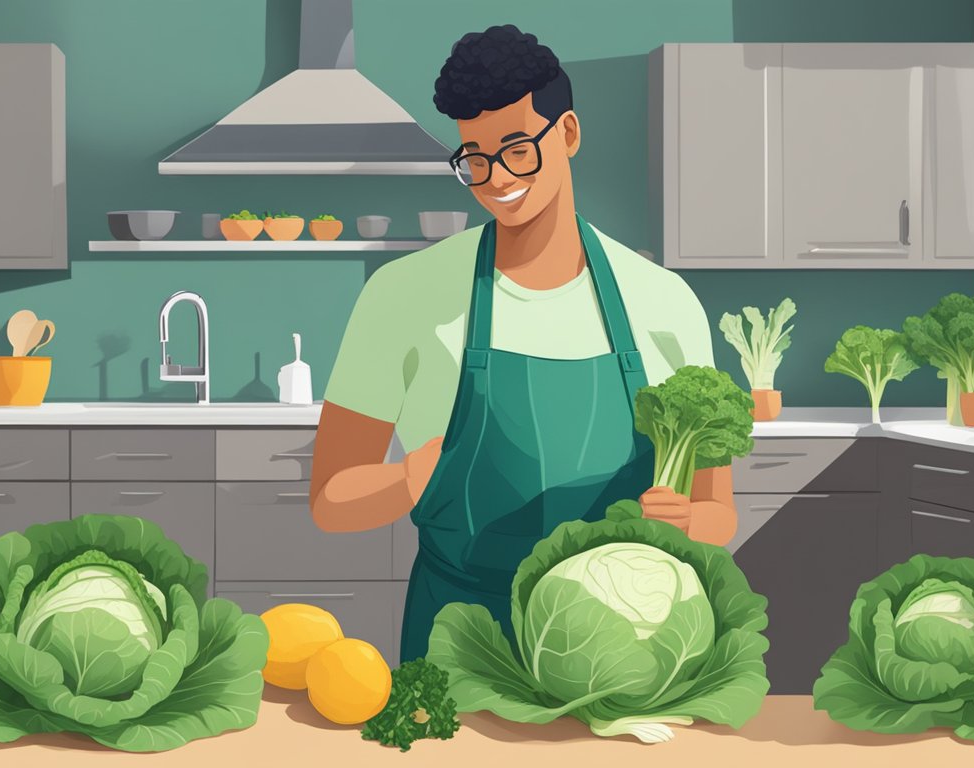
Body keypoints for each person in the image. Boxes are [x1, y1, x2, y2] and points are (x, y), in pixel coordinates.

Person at [310, 24, 737, 663]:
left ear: (566, 134)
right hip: (457, 642)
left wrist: (687, 523)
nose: (496, 178)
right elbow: (329, 498)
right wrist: (406, 479)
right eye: (473, 158)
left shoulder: (664, 302)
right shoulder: (401, 296)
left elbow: (718, 513)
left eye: (516, 148)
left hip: (619, 648)